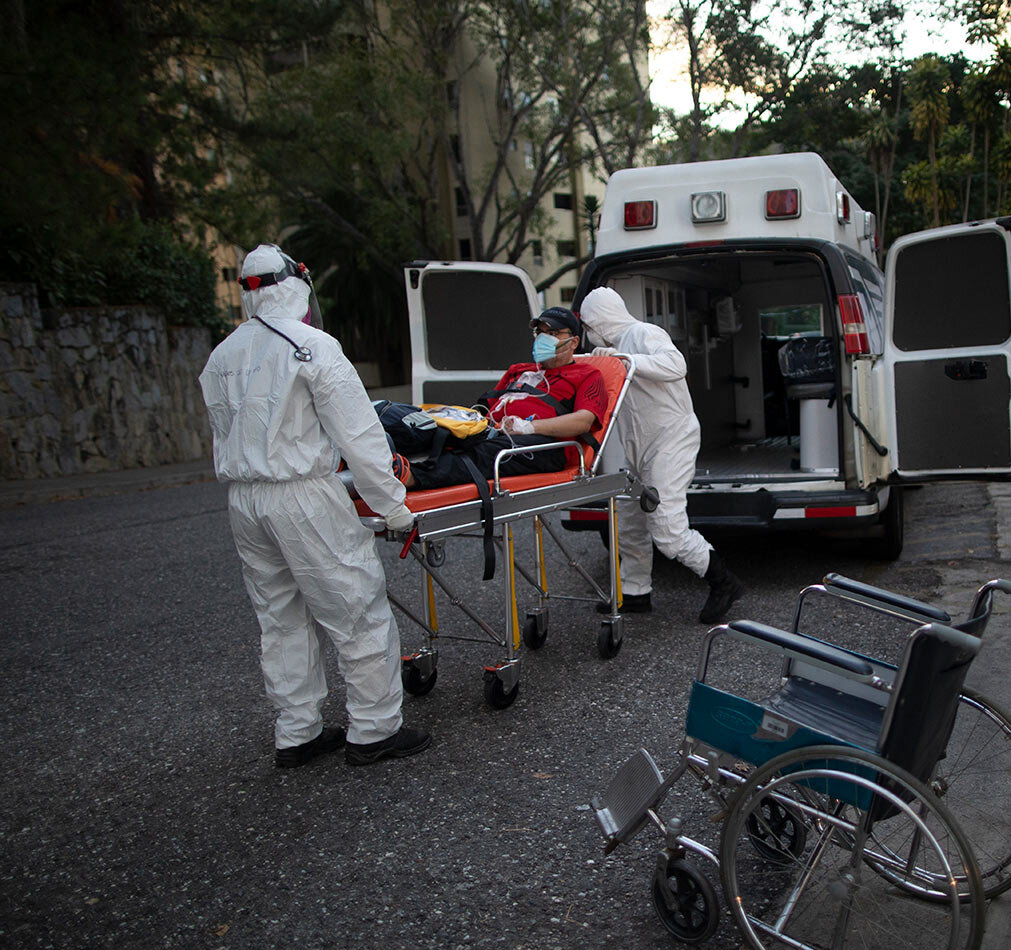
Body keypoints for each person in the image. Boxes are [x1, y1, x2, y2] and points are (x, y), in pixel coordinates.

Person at [199, 244, 431, 767]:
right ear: (297, 284)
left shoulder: (222, 356)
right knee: (356, 608)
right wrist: (393, 506)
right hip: (301, 493)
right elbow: (361, 436)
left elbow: (224, 432)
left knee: (280, 617)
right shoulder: (311, 346)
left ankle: (297, 733)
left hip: (245, 500)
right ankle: (374, 731)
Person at [579, 286, 745, 624]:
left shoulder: (642, 333)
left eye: (587, 323)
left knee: (666, 527)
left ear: (598, 319)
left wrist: (625, 361)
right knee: (629, 521)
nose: (586, 331)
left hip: (671, 440)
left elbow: (675, 364)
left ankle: (724, 582)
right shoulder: (610, 349)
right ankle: (635, 592)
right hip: (639, 447)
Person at [396, 307, 607, 490]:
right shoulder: (519, 371)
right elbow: (485, 408)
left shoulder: (588, 375)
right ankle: (385, 460)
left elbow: (583, 421)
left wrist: (528, 427)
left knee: (489, 452)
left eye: (552, 333)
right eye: (539, 332)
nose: (543, 338)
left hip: (543, 446)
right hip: (493, 432)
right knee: (430, 428)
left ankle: (412, 476)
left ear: (573, 342)